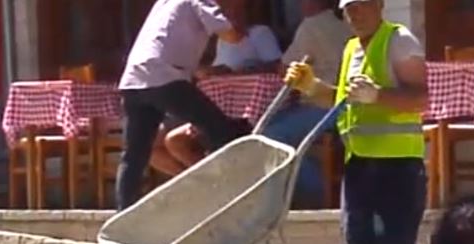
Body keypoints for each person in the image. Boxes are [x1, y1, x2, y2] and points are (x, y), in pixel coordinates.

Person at [284, 0, 429, 244]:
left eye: (362, 7)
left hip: (398, 166)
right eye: (349, 10)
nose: (356, 15)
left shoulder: (400, 41)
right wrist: (311, 87)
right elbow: (344, 101)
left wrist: (378, 95)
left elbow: (419, 98)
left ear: (378, 6)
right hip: (360, 163)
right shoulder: (352, 48)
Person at [116, 0, 249, 209]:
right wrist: (241, 25)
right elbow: (231, 35)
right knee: (221, 130)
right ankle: (234, 196)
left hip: (133, 80)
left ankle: (122, 215)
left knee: (134, 156)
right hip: (165, 75)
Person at [262, 0, 353, 204]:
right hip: (348, 105)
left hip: (323, 105)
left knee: (270, 136)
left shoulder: (312, 25)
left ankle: (315, 196)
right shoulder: (350, 25)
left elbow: (286, 68)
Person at [207, 0, 282, 73]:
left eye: (237, 10)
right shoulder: (222, 38)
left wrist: (251, 68)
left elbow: (277, 66)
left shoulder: (260, 32)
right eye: (226, 10)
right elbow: (219, 67)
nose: (232, 13)